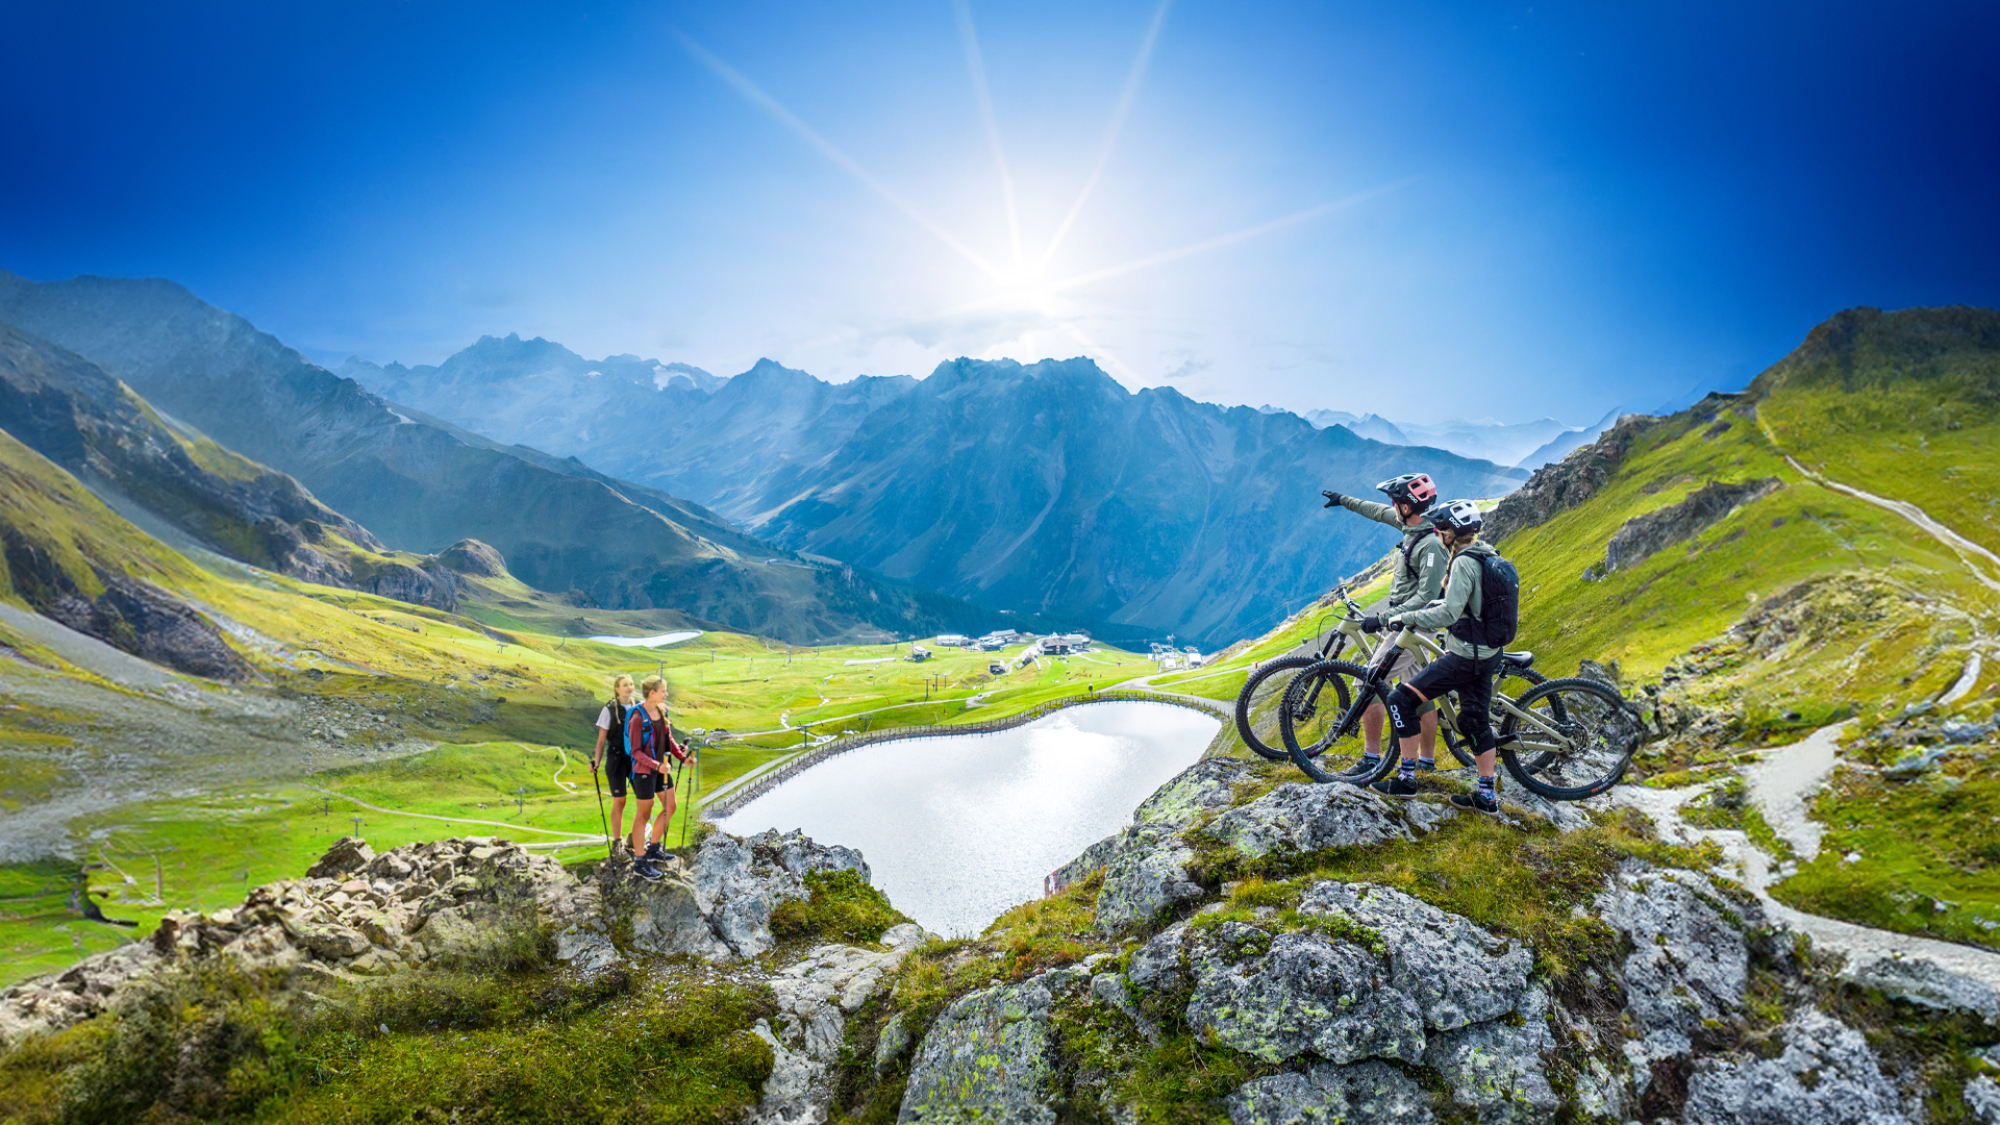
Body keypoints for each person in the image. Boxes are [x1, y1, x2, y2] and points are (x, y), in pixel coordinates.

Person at [1370, 498, 1519, 814]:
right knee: (1474, 720)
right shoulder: (1487, 554)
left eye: (1441, 529)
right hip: (1488, 653)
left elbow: (1451, 612)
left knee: (1400, 699)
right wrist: (1422, 609)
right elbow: (1463, 605)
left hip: (1465, 656)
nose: (1438, 533)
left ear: (1452, 531)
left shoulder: (1464, 562)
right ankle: (1486, 797)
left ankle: (1406, 779)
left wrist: (1408, 619)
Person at [1321, 474, 1448, 771]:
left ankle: (1370, 759)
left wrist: (1382, 619)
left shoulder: (1432, 545)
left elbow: (1427, 597)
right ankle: (1426, 763)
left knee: (1369, 682)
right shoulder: (1409, 525)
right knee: (1418, 692)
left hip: (1411, 626)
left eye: (1397, 500)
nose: (1392, 505)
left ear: (1410, 504)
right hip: (1405, 624)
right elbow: (1376, 511)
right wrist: (1343, 500)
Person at [626, 674, 691, 881]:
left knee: (670, 806)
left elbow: (668, 739)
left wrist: (682, 757)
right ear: (652, 693)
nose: (666, 693)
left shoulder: (662, 711)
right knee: (643, 815)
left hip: (662, 768)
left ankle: (653, 849)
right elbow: (635, 751)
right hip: (644, 771)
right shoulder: (637, 718)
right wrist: (657, 766)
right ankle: (639, 861)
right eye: (663, 691)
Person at [591, 674, 637, 855]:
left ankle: (634, 837)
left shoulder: (638, 707)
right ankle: (617, 842)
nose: (629, 687)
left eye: (631, 684)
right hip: (616, 760)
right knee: (620, 800)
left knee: (645, 798)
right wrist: (596, 762)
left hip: (635, 759)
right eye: (625, 685)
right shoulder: (609, 710)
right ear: (617, 689)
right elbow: (601, 741)